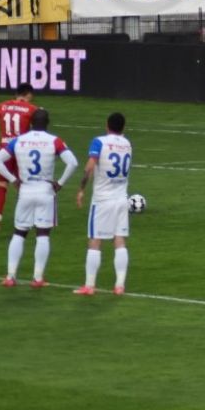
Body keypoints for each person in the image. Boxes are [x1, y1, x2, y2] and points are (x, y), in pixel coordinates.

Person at [0, 108, 79, 288]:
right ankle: (38, 278)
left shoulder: (18, 140)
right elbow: (73, 163)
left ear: (31, 123)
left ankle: (10, 276)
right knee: (43, 234)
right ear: (47, 123)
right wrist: (60, 183)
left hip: (25, 190)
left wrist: (13, 179)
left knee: (19, 233)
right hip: (45, 191)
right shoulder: (54, 140)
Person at [74, 112, 134, 296]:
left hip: (102, 200)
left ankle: (89, 286)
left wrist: (81, 189)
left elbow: (89, 166)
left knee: (95, 240)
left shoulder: (99, 142)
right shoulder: (127, 144)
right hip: (121, 198)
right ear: (123, 127)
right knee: (120, 240)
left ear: (107, 125)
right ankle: (119, 285)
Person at [0, 82, 37, 232]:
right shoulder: (31, 109)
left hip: (5, 151)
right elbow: (37, 130)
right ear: (28, 94)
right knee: (23, 186)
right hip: (21, 151)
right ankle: (23, 219)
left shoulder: (2, 106)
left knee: (2, 184)